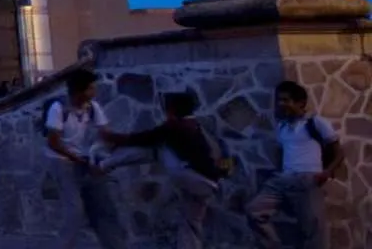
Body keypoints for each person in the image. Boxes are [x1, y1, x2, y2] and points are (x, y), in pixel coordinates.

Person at [102, 90, 227, 248]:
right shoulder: (197, 127)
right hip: (209, 183)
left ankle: (103, 164)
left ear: (173, 110)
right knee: (191, 222)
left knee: (156, 149)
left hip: (190, 176)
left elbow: (143, 138)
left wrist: (111, 137)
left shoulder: (175, 126)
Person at [247, 80, 342, 248]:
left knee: (314, 230)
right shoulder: (282, 127)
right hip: (282, 179)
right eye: (279, 100)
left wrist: (327, 172)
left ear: (300, 103)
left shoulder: (316, 123)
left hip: (307, 180)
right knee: (254, 211)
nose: (281, 104)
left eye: (286, 100)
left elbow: (339, 152)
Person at [43, 70, 127, 249]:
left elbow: (105, 132)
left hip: (82, 157)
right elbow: (53, 142)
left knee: (103, 207)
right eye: (90, 88)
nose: (94, 91)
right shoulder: (58, 108)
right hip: (61, 160)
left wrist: (126, 141)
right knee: (74, 211)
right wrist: (77, 159)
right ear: (79, 91)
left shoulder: (92, 107)